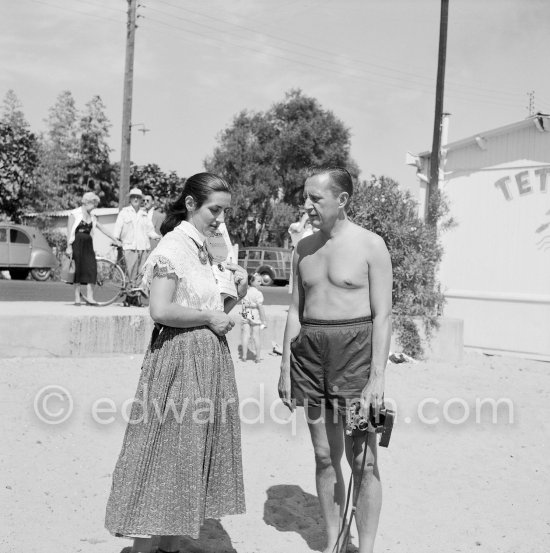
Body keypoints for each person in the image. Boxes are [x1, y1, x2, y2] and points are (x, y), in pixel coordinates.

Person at [105, 172, 248, 553]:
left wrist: (240, 289)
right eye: (214, 210)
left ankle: (167, 547)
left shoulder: (205, 248)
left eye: (224, 211)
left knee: (186, 460)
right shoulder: (173, 247)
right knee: (163, 457)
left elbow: (216, 309)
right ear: (190, 204)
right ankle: (144, 548)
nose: (220, 219)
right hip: (179, 362)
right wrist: (207, 318)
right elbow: (161, 309)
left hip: (206, 361)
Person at [278, 167, 392, 553]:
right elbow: (295, 310)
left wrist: (377, 379)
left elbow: (384, 315)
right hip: (310, 357)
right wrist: (284, 367)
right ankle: (335, 542)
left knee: (365, 461)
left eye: (315, 198)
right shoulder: (303, 249)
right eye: (306, 196)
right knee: (325, 456)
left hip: (356, 356)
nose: (306, 204)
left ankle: (368, 547)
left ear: (341, 200)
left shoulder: (371, 245)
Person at [66, 191, 121, 306]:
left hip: (88, 245)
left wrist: (115, 239)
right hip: (77, 243)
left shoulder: (92, 217)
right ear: (87, 202)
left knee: (92, 268)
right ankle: (77, 298)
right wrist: (68, 246)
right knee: (78, 270)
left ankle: (90, 297)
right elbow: (69, 231)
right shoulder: (75, 214)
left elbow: (103, 229)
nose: (95, 207)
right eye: (94, 204)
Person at [113, 187, 161, 288]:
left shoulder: (144, 214)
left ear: (140, 200)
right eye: (133, 197)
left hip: (143, 248)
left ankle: (136, 298)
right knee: (130, 274)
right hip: (129, 247)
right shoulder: (124, 212)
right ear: (130, 199)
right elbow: (117, 228)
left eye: (138, 198)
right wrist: (116, 239)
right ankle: (129, 297)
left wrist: (157, 237)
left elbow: (150, 231)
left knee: (141, 275)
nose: (135, 199)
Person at [240, 272, 268, 363]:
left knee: (245, 335)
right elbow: (260, 307)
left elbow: (243, 304)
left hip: (246, 314)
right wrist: (264, 320)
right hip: (255, 315)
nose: (260, 283)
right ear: (252, 281)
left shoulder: (245, 292)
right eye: (259, 281)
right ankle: (258, 357)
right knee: (256, 336)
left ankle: (244, 356)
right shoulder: (258, 293)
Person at [288, 211, 315, 294]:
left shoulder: (311, 228)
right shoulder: (294, 226)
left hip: (310, 253)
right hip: (298, 252)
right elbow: (298, 230)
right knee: (296, 277)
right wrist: (304, 219)